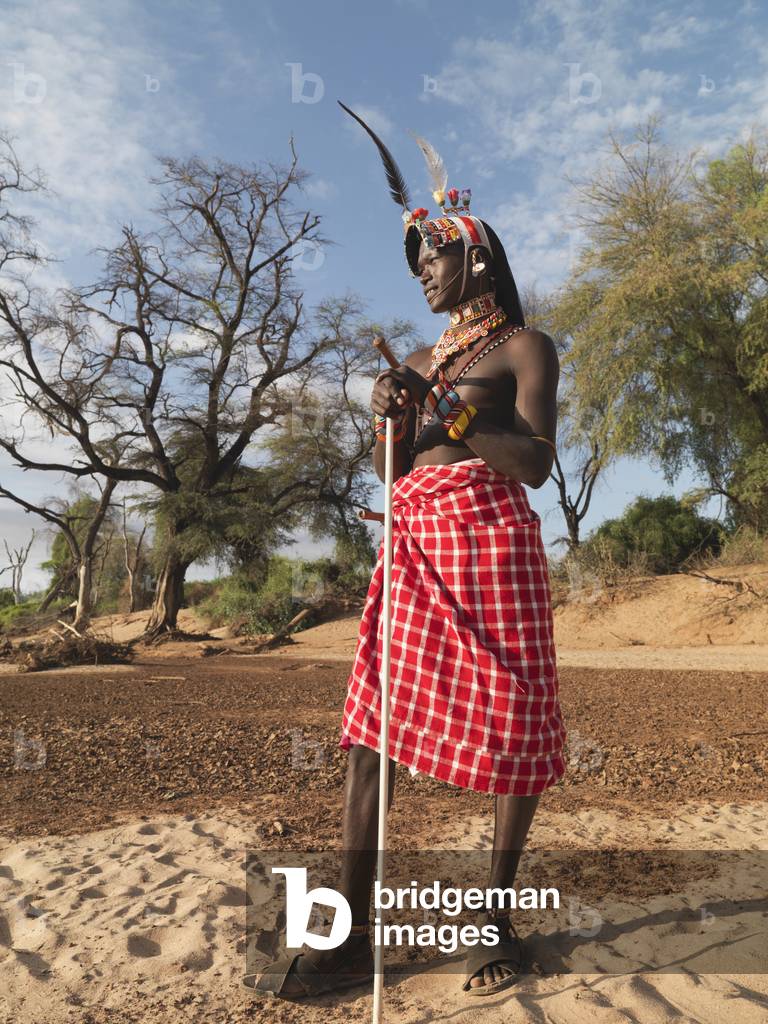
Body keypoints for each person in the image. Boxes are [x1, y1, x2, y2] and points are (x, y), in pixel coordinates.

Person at [250, 109, 566, 1001]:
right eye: (416, 262)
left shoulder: (523, 348)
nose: (423, 271)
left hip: (491, 547)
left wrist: (454, 410)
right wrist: (390, 412)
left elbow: (536, 464)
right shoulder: (425, 354)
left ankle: (491, 919)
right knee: (369, 732)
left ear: (477, 258)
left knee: (514, 728)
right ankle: (351, 933)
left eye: (434, 256)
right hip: (416, 544)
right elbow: (395, 468)